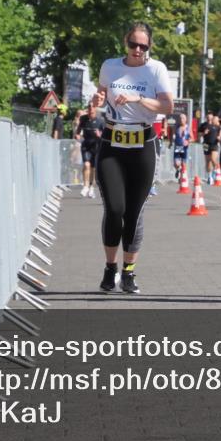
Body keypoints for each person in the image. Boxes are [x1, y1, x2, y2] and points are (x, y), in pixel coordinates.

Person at [95, 22, 173, 294]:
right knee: (114, 209)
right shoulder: (109, 66)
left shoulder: (156, 70)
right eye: (133, 44)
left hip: (143, 144)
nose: (138, 50)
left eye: (143, 46)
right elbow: (101, 93)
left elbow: (167, 106)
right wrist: (97, 100)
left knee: (134, 212)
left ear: (149, 46)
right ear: (125, 42)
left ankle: (129, 271)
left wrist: (138, 98)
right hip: (112, 142)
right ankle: (110, 267)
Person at [74, 99, 105, 198]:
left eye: (93, 106)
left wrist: (99, 135)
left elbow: (105, 135)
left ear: (95, 109)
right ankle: (85, 186)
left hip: (96, 146)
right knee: (86, 165)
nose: (91, 108)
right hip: (86, 145)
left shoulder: (100, 121)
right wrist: (77, 135)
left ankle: (91, 187)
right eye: (89, 106)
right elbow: (78, 130)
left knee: (93, 168)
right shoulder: (83, 119)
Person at [200, 111, 220, 182]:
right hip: (206, 144)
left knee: (213, 159)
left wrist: (219, 137)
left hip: (214, 144)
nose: (209, 117)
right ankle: (209, 176)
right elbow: (199, 135)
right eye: (208, 116)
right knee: (207, 161)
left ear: (212, 117)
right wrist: (204, 133)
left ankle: (216, 171)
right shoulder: (203, 125)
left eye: (210, 116)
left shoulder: (216, 124)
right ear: (206, 117)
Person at [172, 112, 190, 179]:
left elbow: (193, 138)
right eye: (180, 118)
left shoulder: (188, 128)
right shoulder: (176, 127)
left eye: (183, 118)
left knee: (183, 164)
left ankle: (183, 178)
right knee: (176, 164)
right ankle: (178, 169)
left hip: (184, 148)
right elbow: (172, 135)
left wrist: (188, 141)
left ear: (186, 119)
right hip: (178, 147)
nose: (181, 119)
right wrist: (171, 141)